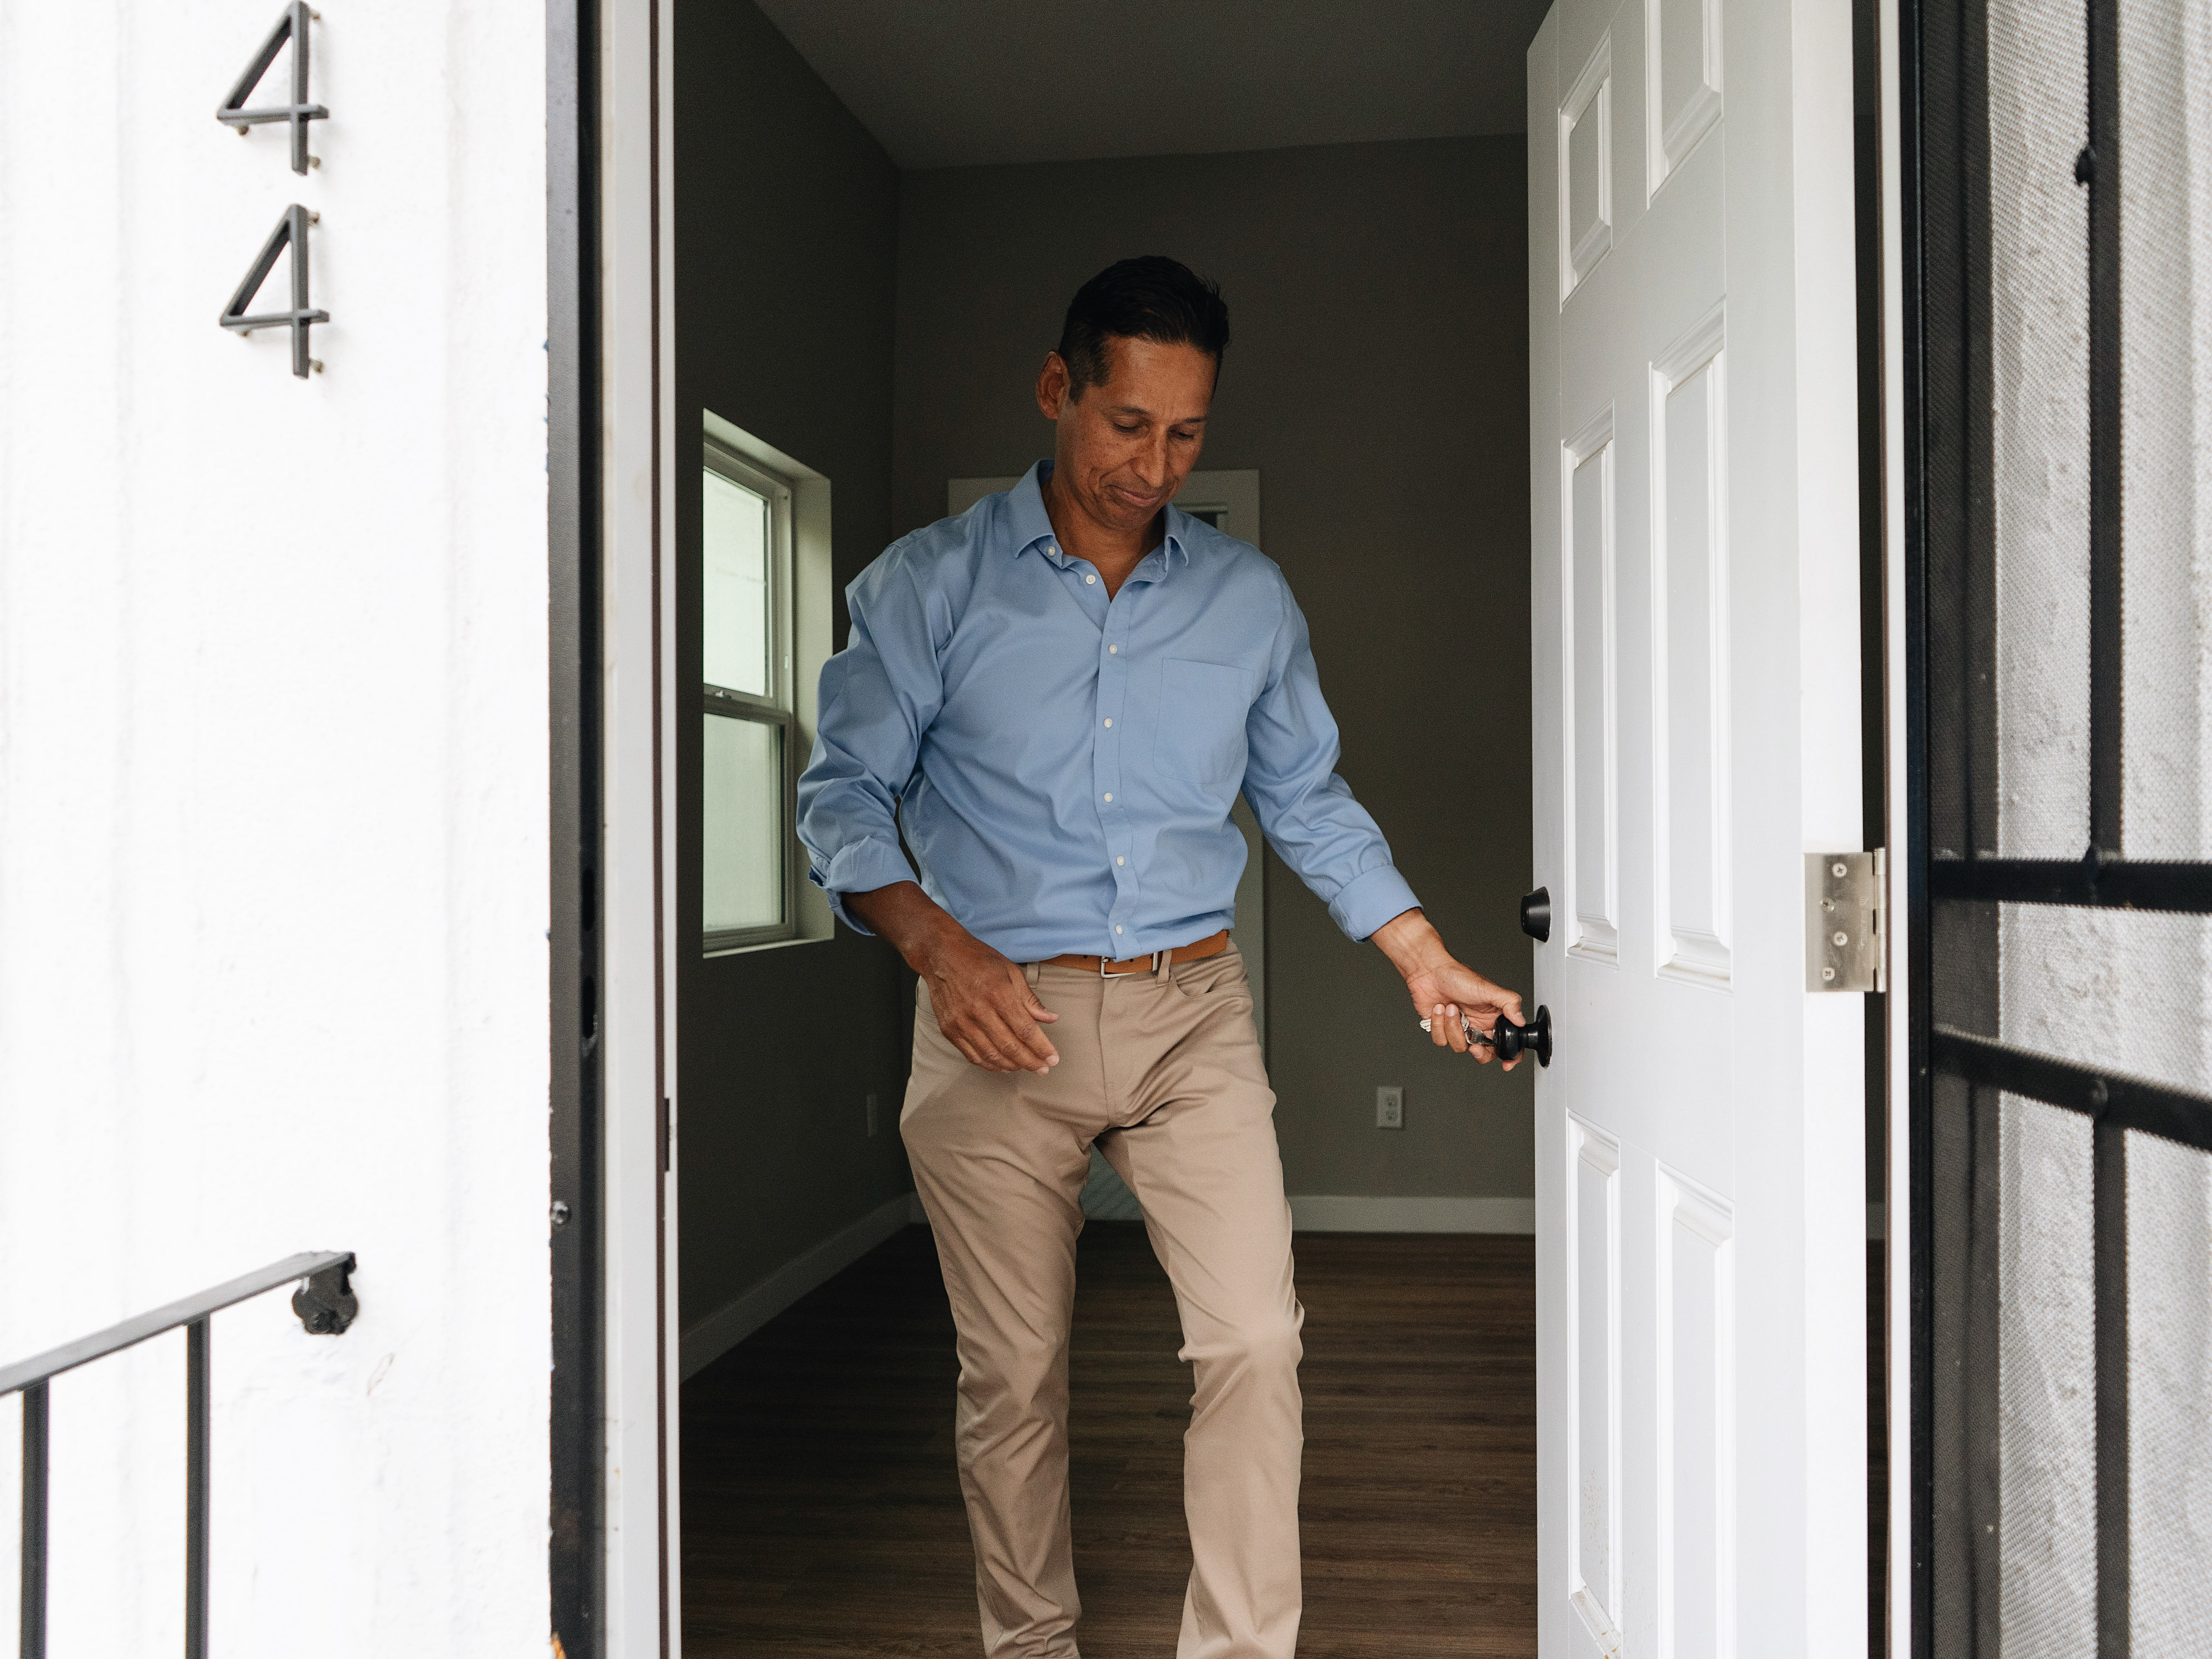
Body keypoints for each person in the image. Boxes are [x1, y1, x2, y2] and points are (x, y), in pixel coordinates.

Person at [796, 255, 1524, 1659]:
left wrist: (1421, 955)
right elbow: (840, 799)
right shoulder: (928, 589)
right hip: (996, 1013)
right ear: (1058, 389)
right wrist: (940, 951)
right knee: (1013, 1378)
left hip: (1192, 1011)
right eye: (1129, 423)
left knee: (1255, 1339)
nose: (1157, 463)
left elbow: (1307, 797)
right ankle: (1031, 1645)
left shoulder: (1247, 601)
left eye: (1189, 432)